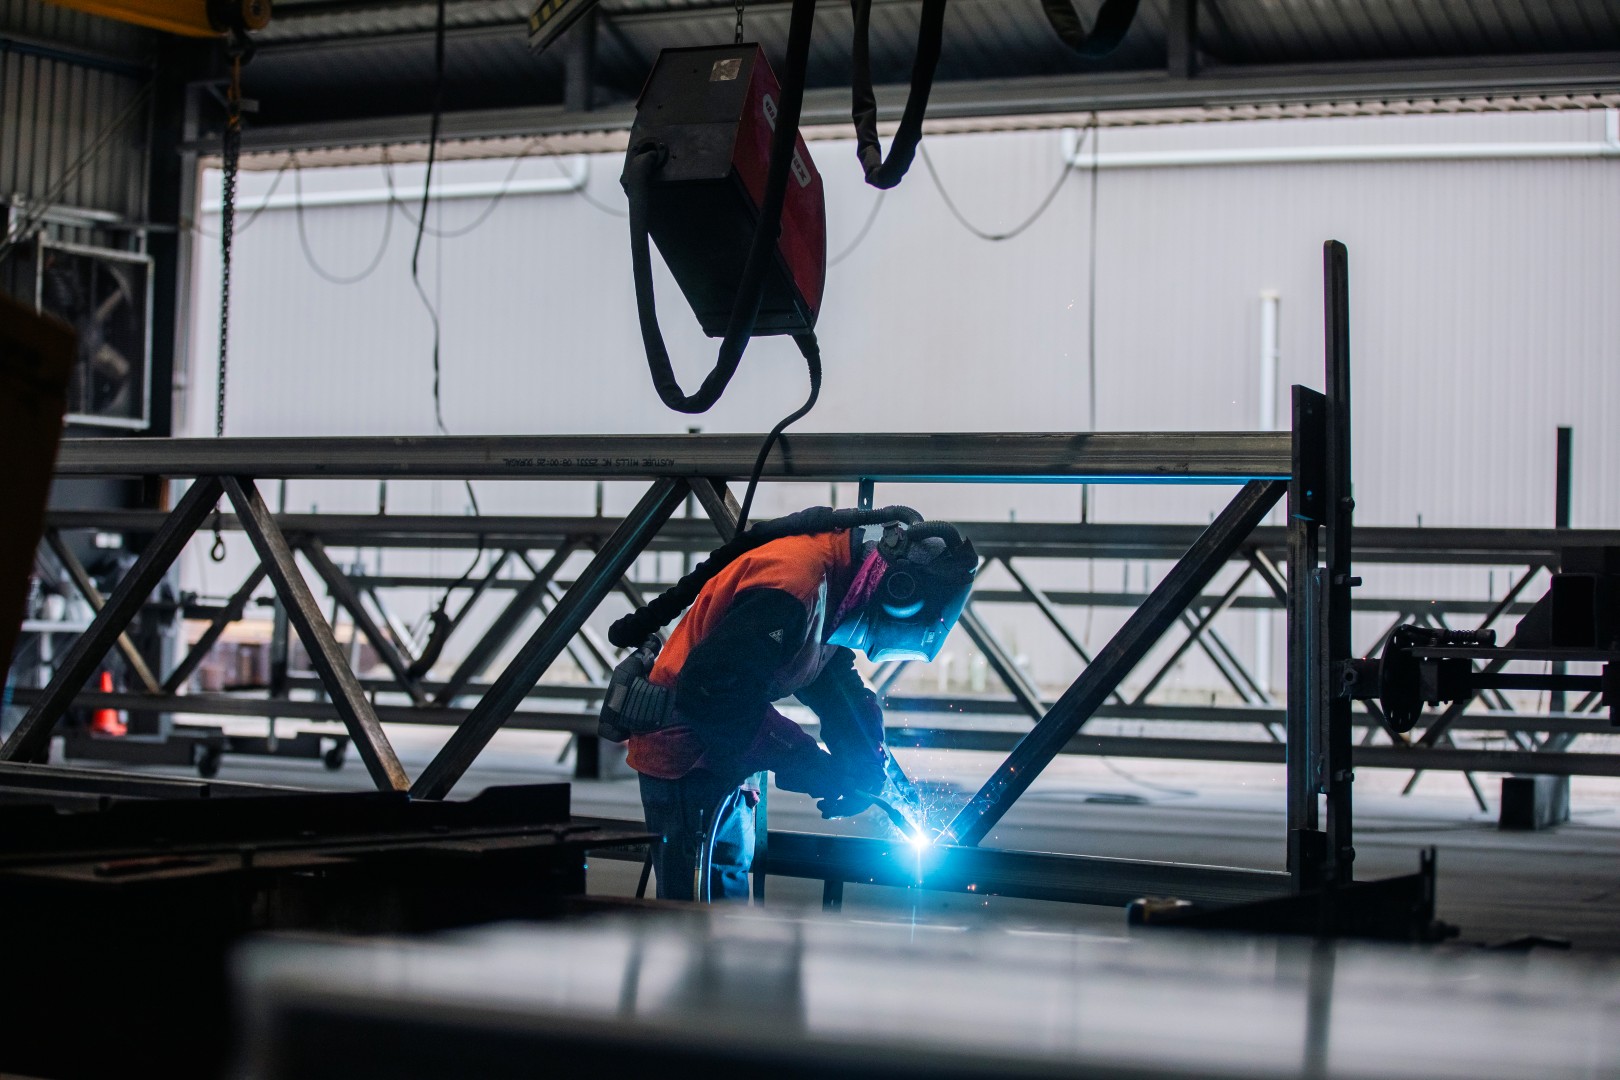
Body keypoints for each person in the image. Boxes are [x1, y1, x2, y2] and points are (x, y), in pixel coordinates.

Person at [602, 506, 977, 901]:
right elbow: (711, 692)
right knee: (694, 916)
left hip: (728, 750)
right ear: (899, 592)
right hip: (684, 758)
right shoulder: (795, 584)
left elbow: (833, 680)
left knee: (725, 908)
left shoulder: (838, 580)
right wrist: (807, 761)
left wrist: (865, 759)